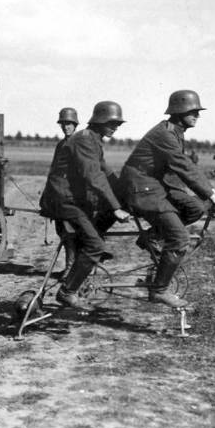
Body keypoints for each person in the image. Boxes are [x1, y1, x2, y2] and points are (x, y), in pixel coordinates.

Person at [119, 90, 215, 308]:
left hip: (154, 184)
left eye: (197, 111)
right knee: (180, 239)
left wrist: (202, 196)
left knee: (195, 208)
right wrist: (212, 194)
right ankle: (159, 290)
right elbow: (183, 166)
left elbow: (176, 169)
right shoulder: (165, 134)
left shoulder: (175, 132)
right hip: (140, 188)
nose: (197, 115)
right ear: (179, 111)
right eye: (193, 111)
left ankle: (152, 236)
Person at [39, 101, 131, 312]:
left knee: (96, 232)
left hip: (71, 199)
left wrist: (125, 191)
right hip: (63, 200)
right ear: (100, 121)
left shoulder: (92, 140)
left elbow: (106, 171)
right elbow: (94, 176)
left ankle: (87, 254)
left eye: (118, 124)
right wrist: (116, 207)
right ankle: (67, 291)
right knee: (95, 245)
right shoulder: (84, 140)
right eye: (112, 123)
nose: (116, 127)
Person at [43, 107, 80, 274]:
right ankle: (69, 266)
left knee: (70, 232)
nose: (66, 127)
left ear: (75, 125)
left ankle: (72, 268)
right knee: (62, 232)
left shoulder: (77, 143)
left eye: (69, 124)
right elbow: (53, 169)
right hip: (57, 193)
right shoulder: (60, 144)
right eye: (63, 124)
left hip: (70, 196)